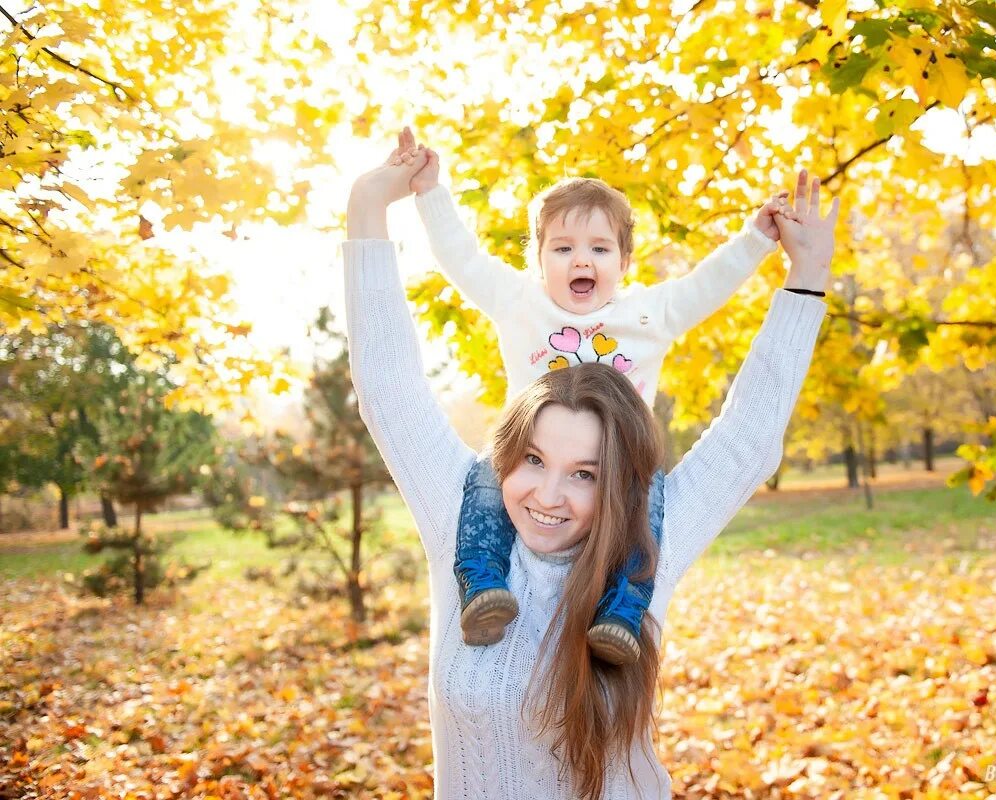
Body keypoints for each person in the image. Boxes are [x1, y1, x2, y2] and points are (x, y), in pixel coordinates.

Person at [343, 132, 836, 799]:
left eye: (585, 473)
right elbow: (390, 380)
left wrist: (802, 277)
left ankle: (617, 594)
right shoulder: (463, 509)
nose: (549, 494)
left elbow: (748, 430)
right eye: (534, 459)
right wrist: (372, 203)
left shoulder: (646, 531)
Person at [393, 126, 796, 663]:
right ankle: (483, 586)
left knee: (646, 510)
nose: (581, 260)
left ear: (623, 263)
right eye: (563, 248)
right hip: (529, 455)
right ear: (538, 260)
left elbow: (708, 284)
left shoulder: (650, 315)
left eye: (599, 249)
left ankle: (622, 614)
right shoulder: (520, 303)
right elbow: (461, 259)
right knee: (484, 482)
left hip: (621, 457)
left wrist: (757, 239)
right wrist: (430, 192)